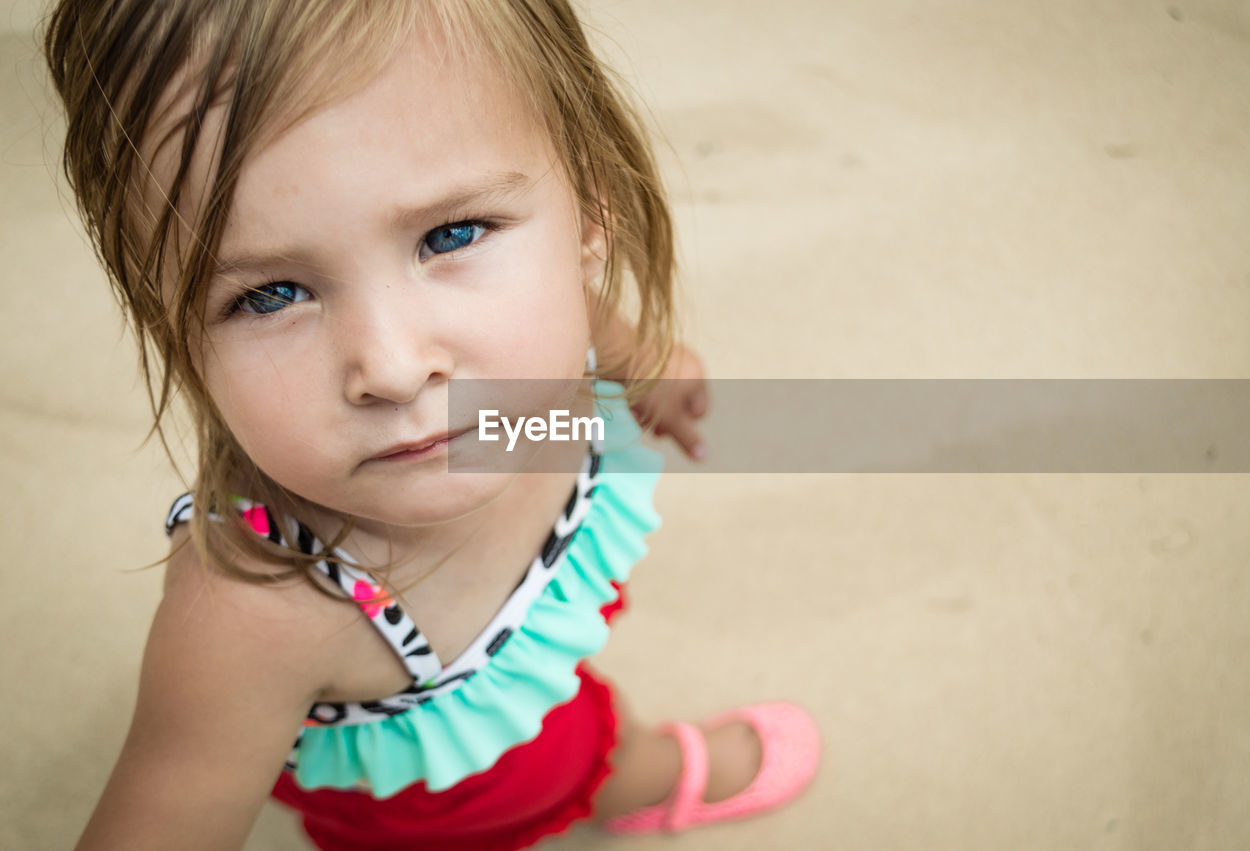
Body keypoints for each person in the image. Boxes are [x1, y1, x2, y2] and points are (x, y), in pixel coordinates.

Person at [44, 1, 821, 848]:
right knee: (570, 747)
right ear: (171, 325)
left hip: (528, 642)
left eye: (451, 235)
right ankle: (633, 773)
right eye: (268, 294)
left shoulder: (540, 350)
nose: (394, 366)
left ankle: (616, 765)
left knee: (565, 700)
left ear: (588, 209)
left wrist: (642, 359)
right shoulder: (255, 611)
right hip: (438, 807)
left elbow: (587, 310)